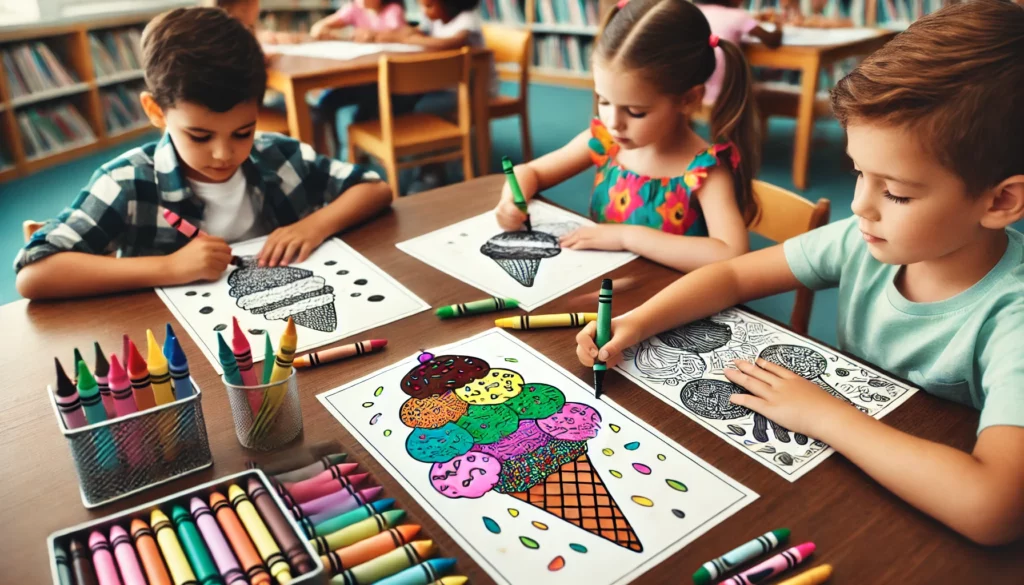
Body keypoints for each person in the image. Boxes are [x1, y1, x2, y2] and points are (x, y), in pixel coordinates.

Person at [576, 0, 1024, 545]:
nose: (859, 205)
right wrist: (641, 320)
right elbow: (734, 276)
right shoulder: (865, 238)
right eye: (858, 173)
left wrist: (825, 416)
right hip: (854, 482)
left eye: (897, 192)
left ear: (1000, 201)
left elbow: (993, 508)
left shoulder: (1014, 316)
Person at [14, 7, 392, 301]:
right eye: (199, 135)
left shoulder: (278, 155)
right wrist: (168, 267)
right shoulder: (129, 183)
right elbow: (35, 274)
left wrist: (314, 225)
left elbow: (374, 188)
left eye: (243, 131)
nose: (224, 153)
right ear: (156, 111)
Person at [495, 0, 758, 273]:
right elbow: (531, 172)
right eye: (604, 101)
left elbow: (732, 254)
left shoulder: (705, 170)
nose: (613, 123)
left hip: (668, 304)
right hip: (604, 288)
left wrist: (626, 237)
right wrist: (511, 201)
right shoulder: (604, 141)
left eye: (635, 112)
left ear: (689, 99)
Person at [696, 0, 782, 107]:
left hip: (693, 91)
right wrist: (779, 26)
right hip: (727, 93)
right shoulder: (739, 16)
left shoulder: (695, 11)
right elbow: (772, 40)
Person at [310, 0, 407, 41]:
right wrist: (323, 31)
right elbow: (318, 27)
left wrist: (374, 35)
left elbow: (402, 36)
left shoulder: (393, 10)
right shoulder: (354, 8)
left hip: (384, 63)